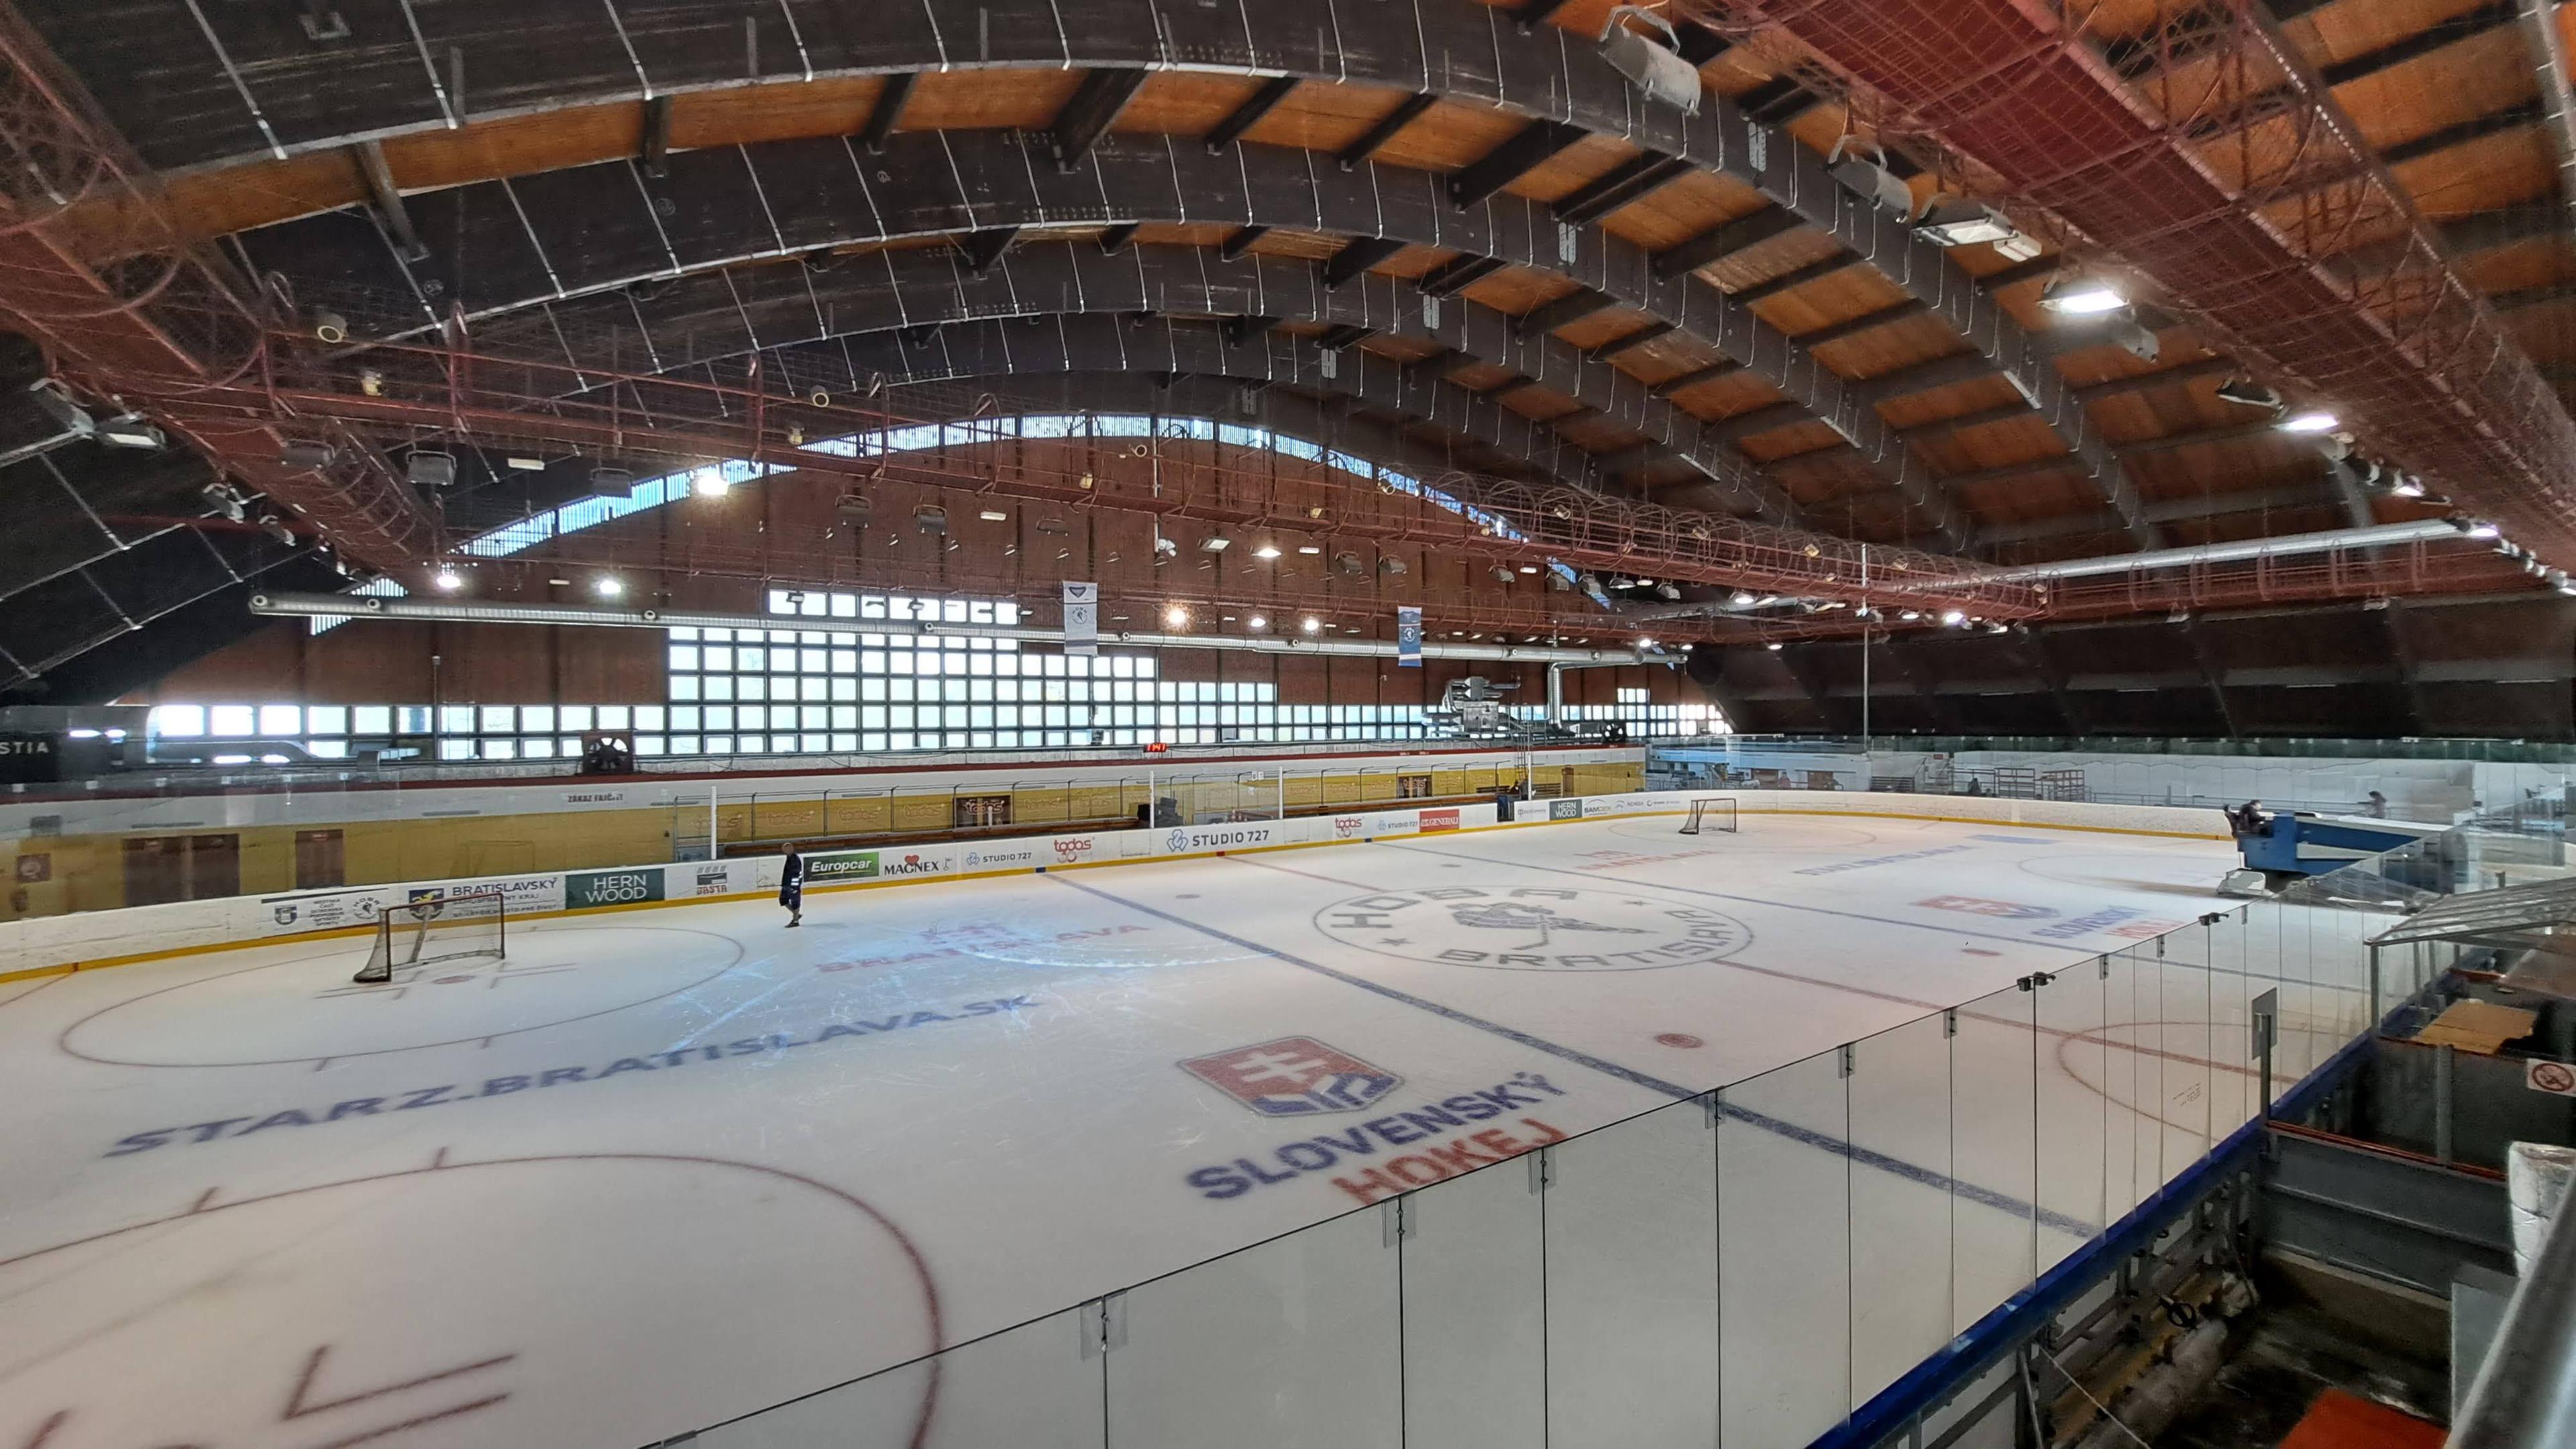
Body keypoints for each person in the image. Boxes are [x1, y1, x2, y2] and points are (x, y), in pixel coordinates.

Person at [779, 842, 806, 928]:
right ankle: (796, 915)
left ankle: (795, 920)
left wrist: (794, 887)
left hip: (792, 886)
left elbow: (796, 874)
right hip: (786, 884)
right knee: (783, 900)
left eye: (785, 849)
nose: (784, 851)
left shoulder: (794, 860)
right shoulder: (790, 857)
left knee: (795, 902)